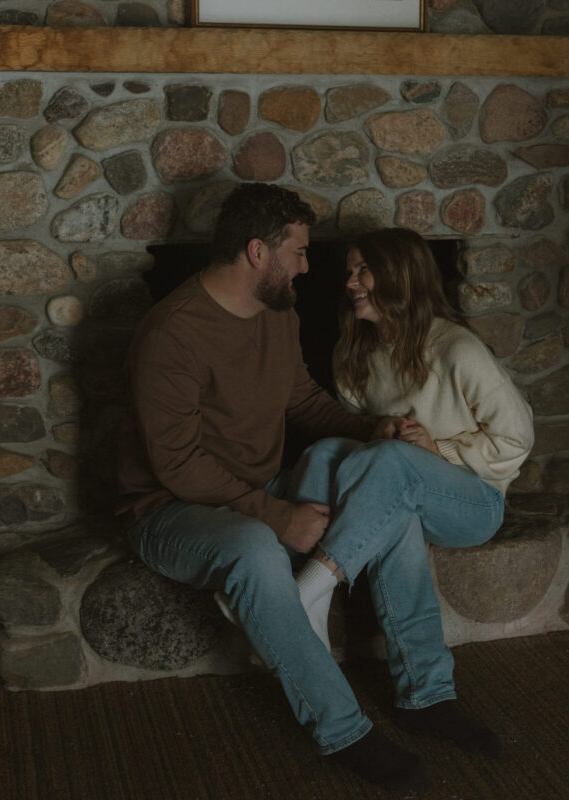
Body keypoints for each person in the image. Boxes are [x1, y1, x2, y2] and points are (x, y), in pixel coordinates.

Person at [117, 183, 430, 795]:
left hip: (257, 486)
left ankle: (428, 691)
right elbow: (177, 464)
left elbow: (302, 400)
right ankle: (344, 730)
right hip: (169, 510)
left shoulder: (277, 314)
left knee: (377, 479)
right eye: (299, 252)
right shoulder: (172, 334)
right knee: (256, 549)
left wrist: (372, 430)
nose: (309, 267)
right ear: (258, 252)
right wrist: (275, 516)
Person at [290, 226, 534, 760]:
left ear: (399, 277)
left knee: (391, 466)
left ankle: (310, 584)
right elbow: (361, 456)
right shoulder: (355, 352)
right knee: (326, 452)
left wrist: (439, 449)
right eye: (350, 271)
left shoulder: (455, 348)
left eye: (363, 270)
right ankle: (426, 697)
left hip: (472, 501)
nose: (351, 281)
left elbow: (517, 437)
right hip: (398, 494)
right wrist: (376, 431)